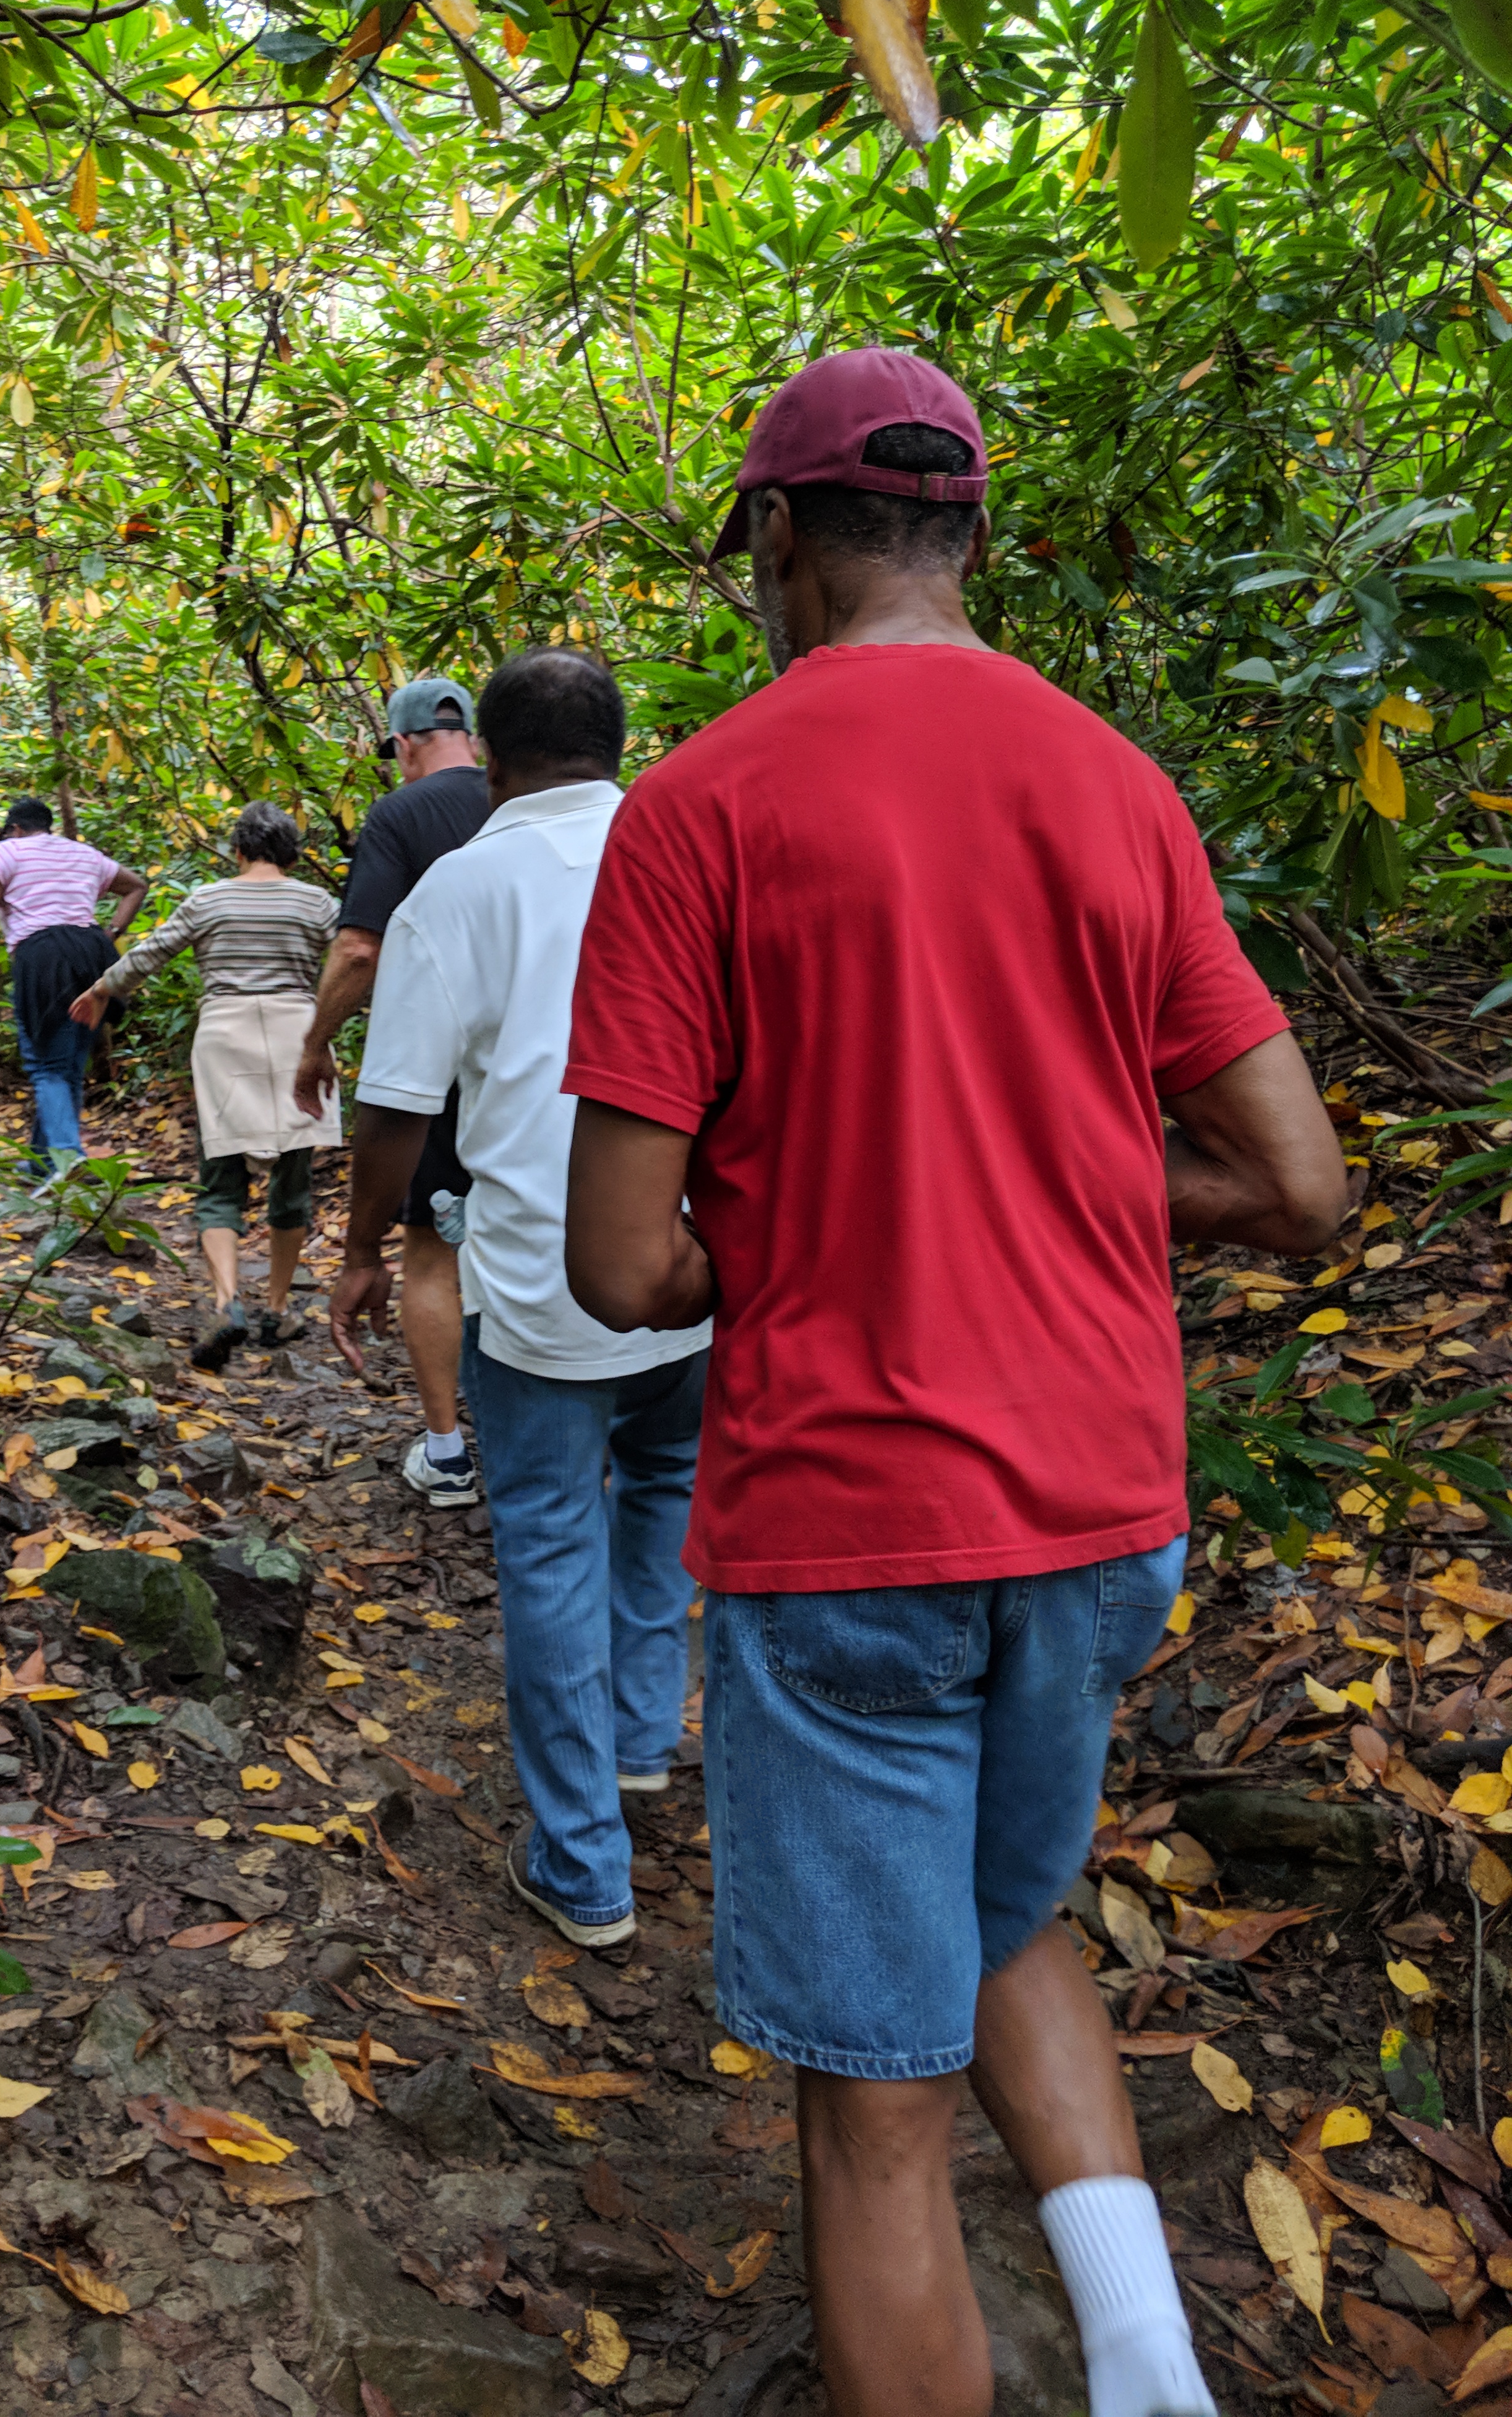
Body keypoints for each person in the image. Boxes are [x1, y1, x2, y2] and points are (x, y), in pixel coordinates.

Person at [559, 350, 1349, 2417]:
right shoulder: (1112, 783)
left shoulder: (700, 807)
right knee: (1011, 1922)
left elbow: (619, 1259)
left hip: (852, 1526)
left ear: (779, 547)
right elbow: (1299, 1183)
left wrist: (818, 1211)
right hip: (1100, 1509)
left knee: (873, 2111)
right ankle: (1150, 2372)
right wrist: (1058, 1172)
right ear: (968, 532)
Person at [330, 648, 711, 1952]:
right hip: (696, 1265)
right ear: (624, 744)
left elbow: (397, 1107)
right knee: (662, 1495)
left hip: (544, 1278)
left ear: (488, 756)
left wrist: (362, 1246)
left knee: (550, 1536)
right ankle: (643, 1742)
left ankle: (582, 1862)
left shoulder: (465, 884)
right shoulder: (698, 854)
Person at [294, 677, 488, 1510]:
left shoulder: (400, 815)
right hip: (554, 1064)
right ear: (472, 737)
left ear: (405, 745)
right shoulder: (536, 798)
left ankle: (448, 1452)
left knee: (432, 1250)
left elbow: (360, 952)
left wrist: (316, 1038)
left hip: (445, 1064)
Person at [69, 801, 341, 1371]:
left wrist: (101, 989)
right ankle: (277, 1309)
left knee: (220, 1176)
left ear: (238, 850)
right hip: (299, 1032)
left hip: (225, 1034)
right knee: (291, 1179)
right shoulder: (316, 902)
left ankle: (226, 1303)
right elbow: (356, 957)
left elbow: (152, 952)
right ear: (292, 852)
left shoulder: (209, 900)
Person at [0, 798, 147, 1171]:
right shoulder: (83, 853)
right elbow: (136, 887)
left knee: (48, 1067)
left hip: (44, 954)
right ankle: (43, 1161)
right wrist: (111, 934)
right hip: (91, 952)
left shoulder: (7, 852)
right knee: (68, 1065)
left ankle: (67, 1160)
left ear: (14, 829)